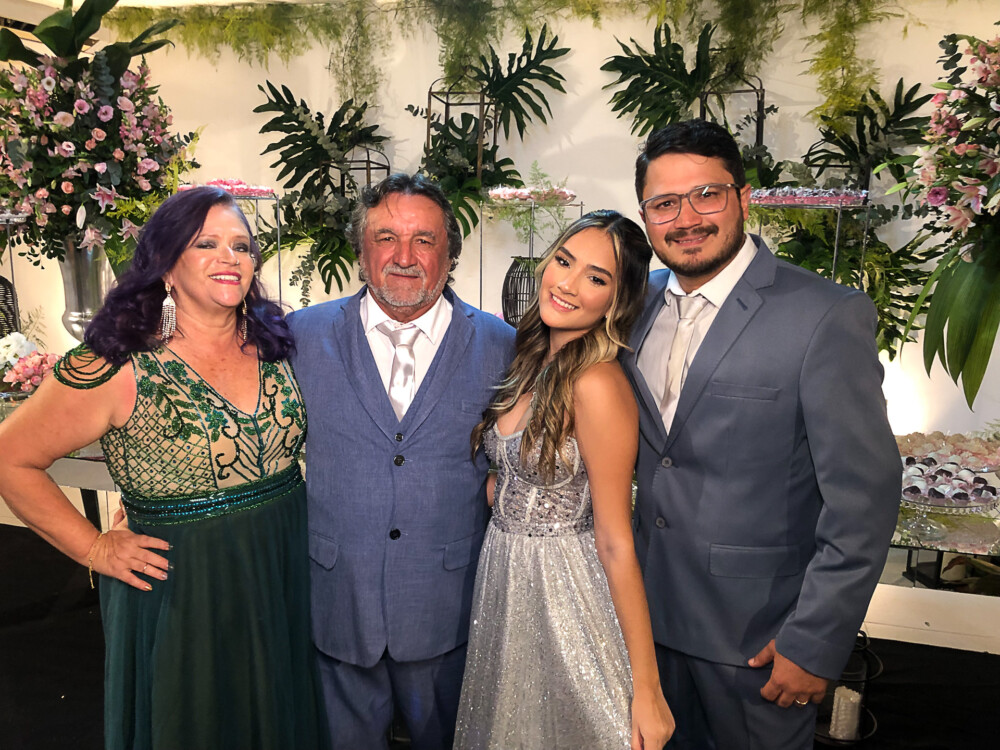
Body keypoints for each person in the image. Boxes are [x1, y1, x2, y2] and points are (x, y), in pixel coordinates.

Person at [0, 187, 329, 750]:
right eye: (206, 244)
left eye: (241, 246)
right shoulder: (116, 364)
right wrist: (94, 548)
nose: (229, 258)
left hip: (280, 561)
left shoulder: (276, 344)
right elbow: (11, 459)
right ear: (166, 266)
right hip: (184, 587)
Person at [622, 119, 901, 749]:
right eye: (664, 203)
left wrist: (815, 640)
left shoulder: (824, 315)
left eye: (706, 195)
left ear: (743, 197)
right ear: (645, 216)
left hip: (757, 644)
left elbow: (864, 499)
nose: (686, 218)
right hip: (642, 630)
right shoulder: (634, 305)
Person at [287, 172, 516, 750]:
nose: (405, 257)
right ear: (361, 251)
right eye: (386, 238)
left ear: (450, 254)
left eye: (424, 240)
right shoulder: (300, 336)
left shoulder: (502, 345)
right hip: (337, 600)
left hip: (448, 606)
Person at [454, 210, 675, 750]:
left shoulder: (597, 382)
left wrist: (647, 688)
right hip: (506, 579)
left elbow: (616, 541)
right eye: (564, 261)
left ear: (616, 301)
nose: (568, 284)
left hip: (564, 591)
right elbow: (516, 474)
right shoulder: (532, 359)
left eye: (595, 278)